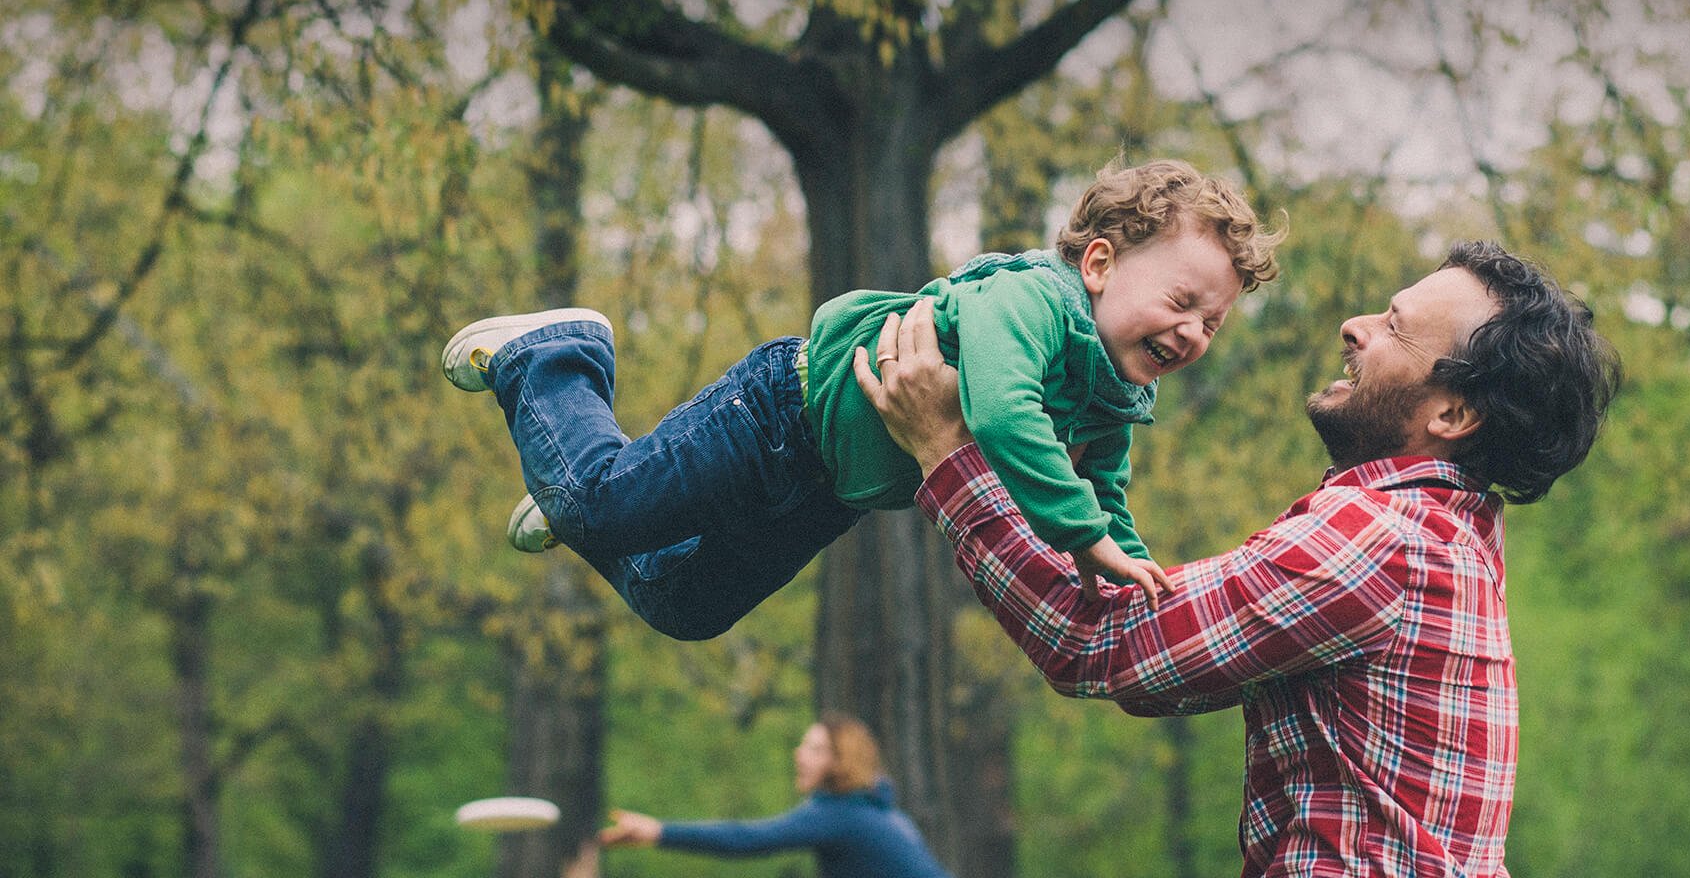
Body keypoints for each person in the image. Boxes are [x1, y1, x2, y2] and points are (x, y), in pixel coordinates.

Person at [852, 241, 1622, 878]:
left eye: (1393, 327)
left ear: (1452, 413)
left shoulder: (1380, 543)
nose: (1355, 327)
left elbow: (1102, 645)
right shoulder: (1452, 541)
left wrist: (948, 454)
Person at [441, 159, 1281, 640]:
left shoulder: (1113, 396)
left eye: (1211, 323)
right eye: (1181, 303)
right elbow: (999, 410)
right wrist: (1084, 538)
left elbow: (1107, 495)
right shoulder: (1033, 302)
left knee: (683, 607)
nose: (1193, 335)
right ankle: (560, 359)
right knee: (598, 503)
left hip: (827, 495)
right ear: (1098, 264)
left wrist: (1130, 573)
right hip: (778, 416)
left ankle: (577, 483)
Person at [598, 713, 981, 878]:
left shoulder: (841, 814)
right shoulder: (872, 809)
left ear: (839, 761)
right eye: (803, 745)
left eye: (814, 748)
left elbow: (748, 839)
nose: (799, 754)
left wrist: (659, 832)